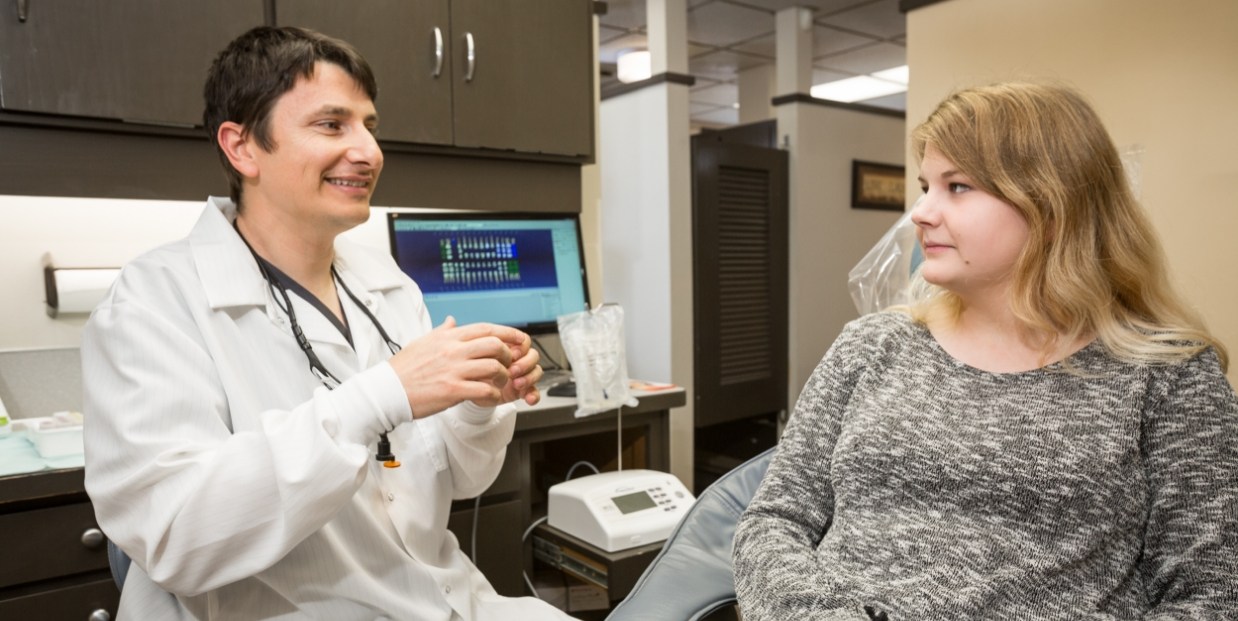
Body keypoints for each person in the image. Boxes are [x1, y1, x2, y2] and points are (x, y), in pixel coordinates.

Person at [82, 26, 576, 620]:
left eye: (370, 125)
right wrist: (380, 396)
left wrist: (475, 406)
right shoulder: (155, 301)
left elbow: (464, 481)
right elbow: (176, 535)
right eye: (332, 125)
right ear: (242, 147)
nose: (368, 151)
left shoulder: (386, 284)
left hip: (449, 601)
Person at [732, 82, 1238, 620]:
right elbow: (773, 522)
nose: (920, 213)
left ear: (1050, 206)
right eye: (926, 186)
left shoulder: (1170, 378)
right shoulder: (870, 348)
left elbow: (1209, 593)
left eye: (958, 187)